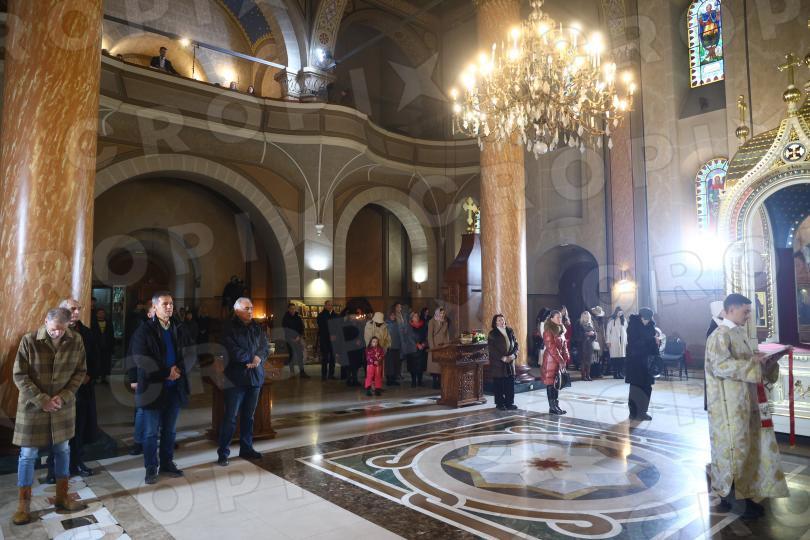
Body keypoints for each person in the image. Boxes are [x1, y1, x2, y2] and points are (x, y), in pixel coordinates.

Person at [706, 293, 789, 518]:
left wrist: (766, 361)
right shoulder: (720, 335)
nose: (748, 316)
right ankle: (731, 496)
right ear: (731, 309)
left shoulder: (738, 333)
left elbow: (747, 363)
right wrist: (754, 363)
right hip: (728, 407)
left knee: (745, 449)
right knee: (734, 450)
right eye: (746, 311)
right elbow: (720, 366)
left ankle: (743, 493)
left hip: (744, 402)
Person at [12, 307, 88, 525]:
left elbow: (80, 372)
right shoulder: (29, 340)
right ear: (46, 321)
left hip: (61, 407)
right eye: (54, 329)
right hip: (32, 407)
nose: (57, 333)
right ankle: (23, 505)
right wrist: (42, 399)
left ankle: (62, 497)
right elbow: (19, 375)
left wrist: (63, 397)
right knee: (28, 455)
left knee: (63, 450)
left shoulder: (76, 340)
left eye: (62, 330)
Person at [130, 291, 191, 484]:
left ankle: (167, 463)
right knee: (150, 433)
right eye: (165, 304)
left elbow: (189, 353)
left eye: (171, 303)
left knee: (170, 431)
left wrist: (178, 370)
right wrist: (166, 372)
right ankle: (151, 468)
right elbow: (141, 359)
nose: (169, 307)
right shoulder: (144, 330)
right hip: (152, 389)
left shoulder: (178, 327)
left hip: (174, 387)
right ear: (154, 307)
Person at [44, 299, 100, 482]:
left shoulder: (87, 333)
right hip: (58, 390)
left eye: (78, 309)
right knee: (57, 431)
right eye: (72, 309)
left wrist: (90, 375)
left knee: (79, 428)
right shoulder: (53, 331)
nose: (76, 312)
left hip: (81, 389)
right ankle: (53, 469)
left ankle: (77, 463)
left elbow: (96, 357)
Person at [217, 297, 267, 467]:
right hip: (236, 378)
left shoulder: (257, 327)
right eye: (247, 308)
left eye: (251, 308)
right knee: (230, 417)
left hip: (254, 377)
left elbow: (264, 346)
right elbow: (231, 349)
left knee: (249, 416)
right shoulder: (228, 327)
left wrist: (259, 358)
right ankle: (223, 452)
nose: (251, 311)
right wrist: (250, 358)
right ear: (237, 310)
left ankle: (246, 448)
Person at [625, 307, 660, 421]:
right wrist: (651, 340)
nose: (646, 321)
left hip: (648, 363)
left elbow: (653, 345)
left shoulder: (651, 326)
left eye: (648, 319)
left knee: (647, 388)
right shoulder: (632, 326)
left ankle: (643, 412)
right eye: (645, 319)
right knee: (635, 388)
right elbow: (634, 344)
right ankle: (633, 413)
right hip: (635, 362)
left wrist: (656, 345)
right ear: (640, 317)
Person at [541, 310, 570, 415]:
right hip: (550, 360)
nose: (560, 319)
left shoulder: (561, 329)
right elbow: (552, 348)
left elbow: (564, 345)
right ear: (551, 318)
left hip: (558, 360)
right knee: (550, 383)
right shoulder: (548, 331)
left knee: (556, 383)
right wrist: (561, 360)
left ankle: (556, 406)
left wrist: (566, 356)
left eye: (560, 317)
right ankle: (552, 407)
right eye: (557, 317)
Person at [488, 314, 519, 410]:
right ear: (495, 323)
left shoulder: (510, 331)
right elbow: (491, 349)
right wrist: (502, 357)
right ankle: (500, 404)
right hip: (498, 363)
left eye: (502, 320)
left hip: (510, 361)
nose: (502, 322)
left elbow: (516, 345)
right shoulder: (492, 333)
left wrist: (513, 355)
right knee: (499, 384)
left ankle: (509, 403)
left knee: (509, 383)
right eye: (499, 320)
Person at [282, 303, 308, 378]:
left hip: (298, 339)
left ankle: (302, 372)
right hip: (289, 340)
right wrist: (291, 338)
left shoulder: (298, 318)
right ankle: (292, 372)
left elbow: (301, 328)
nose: (293, 310)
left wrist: (299, 337)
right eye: (291, 309)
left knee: (300, 355)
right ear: (288, 309)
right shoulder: (285, 318)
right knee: (291, 356)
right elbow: (285, 329)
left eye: (294, 309)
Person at [402, 312, 428, 387]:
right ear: (411, 318)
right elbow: (408, 337)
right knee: (412, 366)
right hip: (412, 349)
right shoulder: (409, 326)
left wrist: (424, 343)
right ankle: (413, 381)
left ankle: (420, 381)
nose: (417, 317)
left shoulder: (423, 325)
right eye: (415, 316)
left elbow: (426, 335)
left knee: (421, 366)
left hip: (422, 348)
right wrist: (417, 344)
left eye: (417, 316)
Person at [427, 307, 450, 388]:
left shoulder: (445, 321)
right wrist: (432, 347)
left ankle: (440, 382)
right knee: (434, 365)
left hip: (443, 345)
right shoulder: (432, 321)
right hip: (435, 345)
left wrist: (447, 344)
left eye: (443, 313)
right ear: (437, 313)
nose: (442, 315)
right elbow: (430, 336)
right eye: (441, 313)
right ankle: (434, 382)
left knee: (441, 365)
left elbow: (447, 334)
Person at [317, 301, 338, 380]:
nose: (330, 306)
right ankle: (324, 375)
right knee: (325, 357)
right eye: (328, 305)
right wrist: (330, 335)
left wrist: (335, 335)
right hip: (324, 339)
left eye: (331, 305)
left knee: (333, 358)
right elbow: (322, 327)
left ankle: (331, 374)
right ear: (325, 305)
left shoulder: (335, 315)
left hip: (333, 340)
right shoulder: (321, 315)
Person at [385, 307, 405, 386]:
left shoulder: (398, 324)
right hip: (389, 347)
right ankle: (389, 379)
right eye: (391, 315)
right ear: (389, 316)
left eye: (394, 315)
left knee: (396, 363)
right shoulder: (386, 324)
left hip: (397, 346)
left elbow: (401, 334)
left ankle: (393, 379)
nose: (393, 316)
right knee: (389, 364)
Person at [94, 307, 115, 384]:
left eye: (102, 313)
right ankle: (97, 377)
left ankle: (104, 378)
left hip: (107, 346)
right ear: (96, 314)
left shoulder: (109, 323)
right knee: (97, 362)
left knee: (106, 362)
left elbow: (112, 335)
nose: (101, 314)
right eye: (99, 313)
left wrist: (112, 346)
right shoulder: (93, 323)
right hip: (97, 346)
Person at [606, 307, 628, 379]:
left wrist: (626, 341)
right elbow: (608, 331)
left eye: (621, 312)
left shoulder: (624, 320)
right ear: (616, 312)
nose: (620, 314)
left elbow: (626, 331)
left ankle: (620, 373)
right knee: (615, 358)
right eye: (618, 312)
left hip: (622, 341)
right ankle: (615, 373)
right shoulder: (611, 320)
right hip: (614, 341)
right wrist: (608, 341)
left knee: (621, 358)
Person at [576, 311, 597, 381]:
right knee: (583, 361)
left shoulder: (591, 324)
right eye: (585, 316)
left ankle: (588, 375)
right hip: (582, 345)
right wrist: (587, 334)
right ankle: (583, 376)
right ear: (582, 317)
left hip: (590, 344)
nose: (587, 318)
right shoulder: (579, 323)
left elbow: (595, 335)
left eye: (588, 316)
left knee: (589, 360)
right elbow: (577, 334)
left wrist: (593, 334)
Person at [591, 306, 608, 377]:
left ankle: (598, 372)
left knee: (600, 357)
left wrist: (605, 342)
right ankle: (593, 373)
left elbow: (603, 333)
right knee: (594, 357)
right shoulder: (591, 320)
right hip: (594, 340)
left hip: (600, 341)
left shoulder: (601, 321)